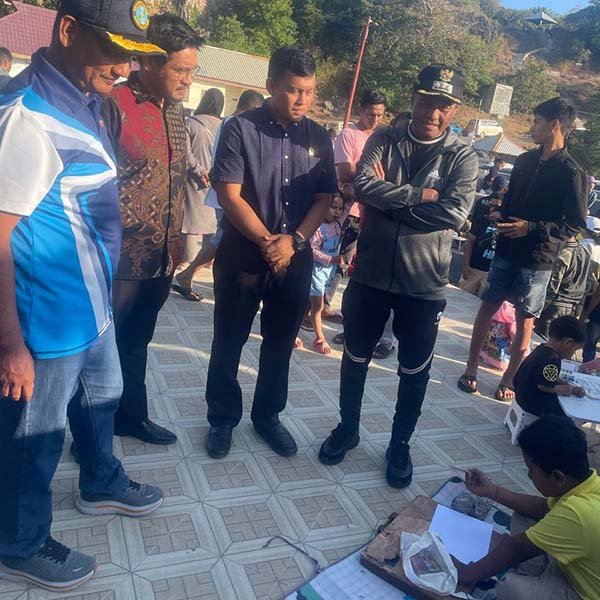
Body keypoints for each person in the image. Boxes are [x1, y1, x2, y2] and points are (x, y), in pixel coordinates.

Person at [0, 0, 166, 591]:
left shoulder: (84, 97)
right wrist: (11, 346)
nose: (123, 68)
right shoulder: (28, 117)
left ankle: (101, 481)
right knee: (34, 441)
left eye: (131, 57)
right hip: (44, 324)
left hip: (90, 309)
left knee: (103, 398)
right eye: (114, 51)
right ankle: (19, 542)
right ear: (68, 30)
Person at [318, 65, 479, 488]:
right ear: (413, 98)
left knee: (414, 371)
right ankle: (347, 429)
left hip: (423, 286)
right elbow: (362, 187)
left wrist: (389, 202)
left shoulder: (462, 156)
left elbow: (454, 213)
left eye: (443, 105)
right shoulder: (384, 139)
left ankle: (399, 445)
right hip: (369, 276)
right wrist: (421, 196)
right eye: (426, 101)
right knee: (355, 359)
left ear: (454, 110)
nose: (433, 113)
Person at [204, 46, 337, 459]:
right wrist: (269, 241)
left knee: (280, 343)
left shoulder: (318, 137)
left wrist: (292, 242)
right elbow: (228, 194)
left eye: (309, 91)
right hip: (243, 256)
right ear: (270, 86)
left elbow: (324, 197)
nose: (302, 100)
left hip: (295, 258)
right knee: (229, 339)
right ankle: (222, 418)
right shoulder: (240, 128)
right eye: (294, 90)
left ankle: (267, 417)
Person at [110, 14, 203, 445]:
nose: (188, 80)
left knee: (137, 342)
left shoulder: (177, 111)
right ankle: (89, 434)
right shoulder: (114, 104)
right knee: (100, 349)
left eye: (192, 70)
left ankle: (130, 416)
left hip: (161, 257)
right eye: (180, 70)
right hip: (118, 260)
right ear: (149, 62)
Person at [458, 98, 587, 401]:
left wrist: (532, 228)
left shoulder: (572, 173)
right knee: (487, 307)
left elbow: (574, 225)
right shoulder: (526, 161)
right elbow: (510, 200)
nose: (532, 127)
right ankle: (470, 368)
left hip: (538, 259)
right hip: (506, 249)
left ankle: (509, 379)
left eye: (537, 122)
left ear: (555, 125)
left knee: (525, 320)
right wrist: (500, 216)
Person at [455, 416, 600, 600]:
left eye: (531, 470)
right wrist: (492, 491)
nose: (529, 475)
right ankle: (533, 578)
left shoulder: (578, 512)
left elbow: (516, 548)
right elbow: (540, 507)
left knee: (509, 588)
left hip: (583, 591)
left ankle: (531, 583)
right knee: (524, 515)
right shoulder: (589, 484)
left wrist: (467, 573)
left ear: (558, 477)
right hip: (575, 567)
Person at [173, 89, 265, 294]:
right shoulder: (234, 124)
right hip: (227, 192)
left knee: (221, 237)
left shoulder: (230, 122)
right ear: (251, 108)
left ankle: (191, 274)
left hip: (224, 189)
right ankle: (189, 273)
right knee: (221, 238)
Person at [331, 89, 396, 359]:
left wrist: (367, 180)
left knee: (384, 282)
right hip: (355, 213)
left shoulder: (386, 140)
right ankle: (351, 327)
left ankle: (385, 339)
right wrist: (371, 177)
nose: (375, 119)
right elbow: (345, 173)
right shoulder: (350, 135)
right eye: (371, 113)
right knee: (353, 274)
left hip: (383, 219)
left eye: (380, 115)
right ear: (361, 110)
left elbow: (391, 181)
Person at [177, 87, 224, 287]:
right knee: (212, 222)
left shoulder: (190, 124)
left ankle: (188, 261)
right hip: (217, 182)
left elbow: (185, 153)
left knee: (191, 223)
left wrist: (199, 171)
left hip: (195, 181)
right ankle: (207, 261)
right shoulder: (224, 126)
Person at [515, 316, 586, 417]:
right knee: (565, 414)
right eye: (574, 350)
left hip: (521, 393)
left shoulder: (542, 348)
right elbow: (543, 386)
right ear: (568, 342)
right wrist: (562, 389)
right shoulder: (553, 360)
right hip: (531, 401)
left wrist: (561, 382)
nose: (572, 355)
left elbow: (541, 374)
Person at [309, 193, 349, 354]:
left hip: (328, 273)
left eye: (340, 208)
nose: (337, 211)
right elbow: (312, 250)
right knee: (317, 306)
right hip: (316, 272)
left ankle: (291, 332)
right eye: (333, 207)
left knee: (308, 306)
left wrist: (349, 190)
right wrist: (331, 259)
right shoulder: (318, 228)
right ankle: (320, 338)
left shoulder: (338, 224)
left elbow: (348, 206)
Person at [534, 235, 594, 340]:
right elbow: (589, 285)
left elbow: (553, 286)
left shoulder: (564, 254)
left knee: (543, 341)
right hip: (573, 307)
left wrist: (538, 309)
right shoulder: (585, 252)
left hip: (554, 306)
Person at [459, 175, 508, 298]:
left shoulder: (507, 221)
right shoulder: (482, 215)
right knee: (461, 299)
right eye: (491, 206)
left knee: (483, 304)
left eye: (497, 207)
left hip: (492, 271)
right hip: (475, 266)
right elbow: (471, 239)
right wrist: (466, 264)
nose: (493, 210)